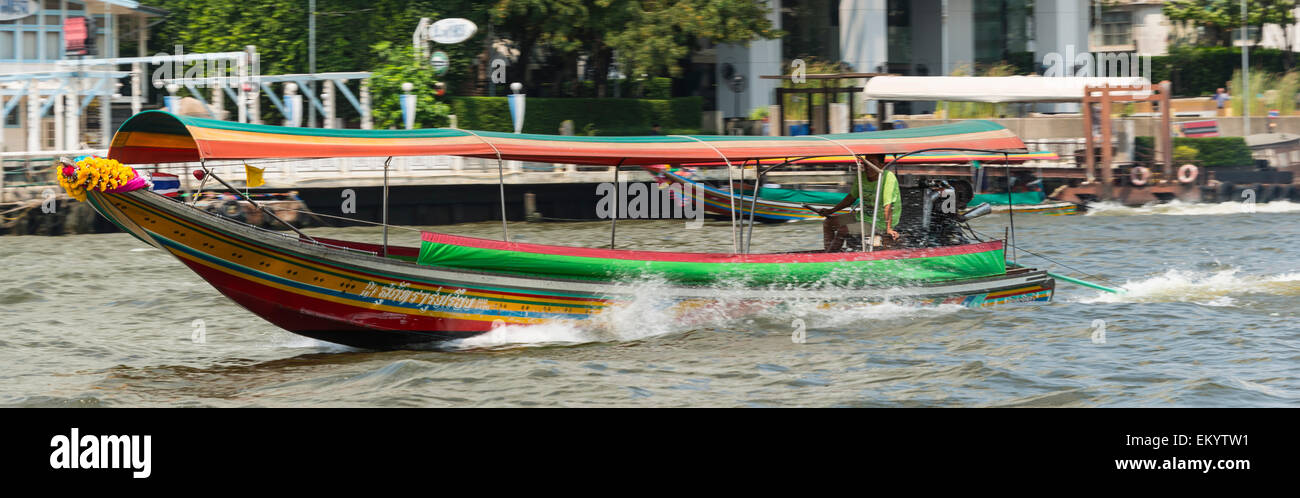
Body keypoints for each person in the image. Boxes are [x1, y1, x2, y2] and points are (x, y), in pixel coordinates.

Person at [814, 155, 902, 251]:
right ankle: (828, 252)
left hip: (880, 222)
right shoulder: (862, 176)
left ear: (881, 165)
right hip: (863, 217)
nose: (868, 167)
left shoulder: (888, 177)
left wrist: (888, 228)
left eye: (872, 164)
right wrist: (831, 211)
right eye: (866, 164)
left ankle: (831, 257)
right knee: (828, 223)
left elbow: (888, 205)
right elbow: (851, 198)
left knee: (843, 230)